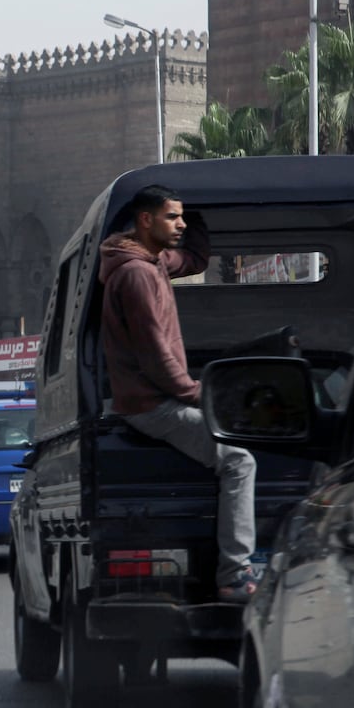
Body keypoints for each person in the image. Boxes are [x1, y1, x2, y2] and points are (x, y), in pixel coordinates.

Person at [99, 185, 259, 602]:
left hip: (161, 398)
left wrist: (201, 214)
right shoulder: (136, 275)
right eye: (173, 217)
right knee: (239, 461)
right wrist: (197, 394)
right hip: (152, 405)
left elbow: (195, 259)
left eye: (183, 216)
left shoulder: (152, 262)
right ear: (146, 220)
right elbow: (155, 357)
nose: (181, 224)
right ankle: (234, 574)